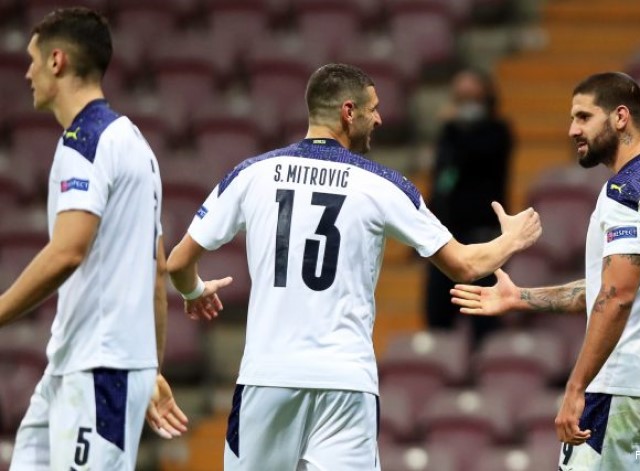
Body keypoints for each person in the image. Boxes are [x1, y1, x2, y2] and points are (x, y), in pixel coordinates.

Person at [166, 63, 541, 470]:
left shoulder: (252, 174)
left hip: (267, 375)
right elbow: (465, 266)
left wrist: (193, 291)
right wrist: (512, 239)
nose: (379, 119)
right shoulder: (383, 185)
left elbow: (178, 262)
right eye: (372, 108)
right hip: (345, 381)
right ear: (348, 111)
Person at [451, 72, 640, 471]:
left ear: (620, 117)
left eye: (584, 117)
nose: (572, 130)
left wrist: (576, 386)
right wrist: (520, 298)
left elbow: (616, 297)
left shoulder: (626, 193)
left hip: (622, 384)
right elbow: (612, 287)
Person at [2, 8, 187, 470]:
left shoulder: (84, 141)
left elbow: (67, 251)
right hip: (76, 363)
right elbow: (157, 268)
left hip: (100, 370)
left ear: (57, 61)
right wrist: (151, 367)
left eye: (33, 60)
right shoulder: (136, 144)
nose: (27, 73)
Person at [424, 67, 512, 346]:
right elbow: (441, 180)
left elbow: (474, 156)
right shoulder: (448, 133)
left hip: (482, 239)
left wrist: (455, 127)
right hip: (446, 239)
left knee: (484, 321)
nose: (466, 105)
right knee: (437, 318)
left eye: (472, 98)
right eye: (460, 98)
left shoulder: (498, 132)